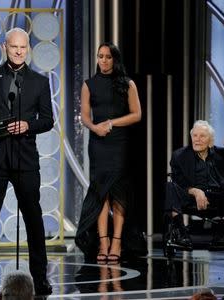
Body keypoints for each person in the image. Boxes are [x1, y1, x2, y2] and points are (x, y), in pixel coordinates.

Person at [0, 27, 53, 296]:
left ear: (28, 49)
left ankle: (39, 277)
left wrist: (28, 125)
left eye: (23, 48)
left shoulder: (39, 81)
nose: (18, 51)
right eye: (14, 47)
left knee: (33, 217)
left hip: (25, 157)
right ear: (5, 47)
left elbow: (48, 120)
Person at [75, 42, 145, 263]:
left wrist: (111, 123)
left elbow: (137, 114)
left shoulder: (128, 84)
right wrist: (95, 127)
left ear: (115, 59)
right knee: (100, 193)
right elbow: (85, 115)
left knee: (119, 193)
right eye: (100, 56)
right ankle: (103, 242)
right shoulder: (89, 85)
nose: (103, 61)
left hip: (120, 144)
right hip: (98, 144)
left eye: (108, 57)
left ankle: (117, 242)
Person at [164, 120, 224, 249]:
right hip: (191, 199)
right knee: (170, 187)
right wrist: (196, 192)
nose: (197, 139)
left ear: (211, 140)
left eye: (202, 136)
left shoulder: (223, 154)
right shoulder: (179, 156)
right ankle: (181, 233)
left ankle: (222, 233)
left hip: (218, 199)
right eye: (195, 135)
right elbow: (178, 181)